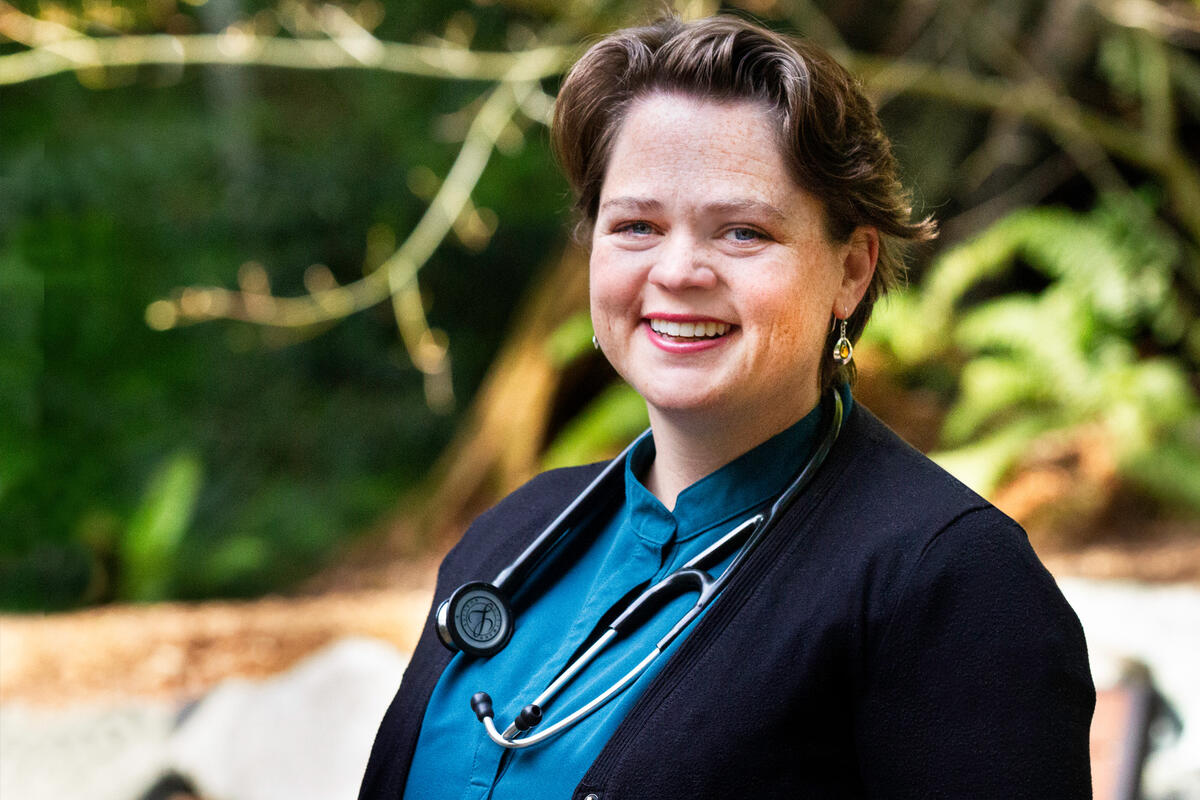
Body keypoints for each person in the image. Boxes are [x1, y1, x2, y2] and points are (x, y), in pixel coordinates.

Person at [360, 14, 1094, 800]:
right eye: (636, 225)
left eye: (743, 232)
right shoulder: (508, 538)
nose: (678, 271)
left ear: (851, 270)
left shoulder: (952, 582)